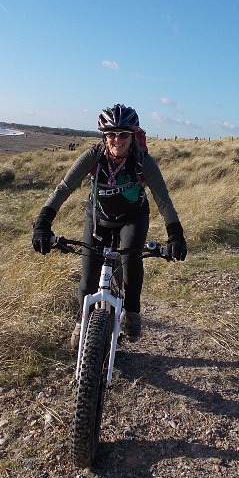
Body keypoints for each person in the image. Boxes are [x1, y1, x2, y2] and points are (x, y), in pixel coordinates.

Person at [31, 104, 187, 350]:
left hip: (132, 217)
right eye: (111, 134)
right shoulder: (93, 156)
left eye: (123, 134)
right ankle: (83, 323)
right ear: (104, 136)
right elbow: (64, 188)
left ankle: (133, 311)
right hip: (98, 217)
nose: (117, 140)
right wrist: (43, 223)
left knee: (131, 261)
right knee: (88, 279)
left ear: (133, 135)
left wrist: (175, 235)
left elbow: (163, 199)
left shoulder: (143, 161)